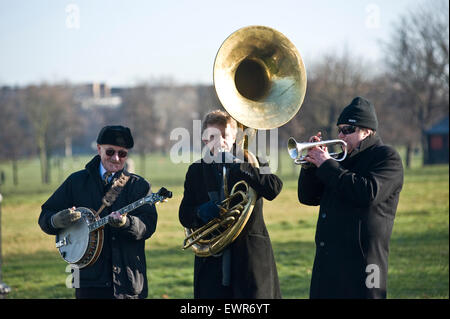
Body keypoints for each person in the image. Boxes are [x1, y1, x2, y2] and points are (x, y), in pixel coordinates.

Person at [297, 97, 404, 299]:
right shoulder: (340, 160)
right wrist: (311, 166)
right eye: (340, 130)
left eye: (348, 130)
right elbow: (308, 197)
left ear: (367, 131)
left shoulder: (387, 157)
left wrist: (327, 165)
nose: (341, 135)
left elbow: (368, 193)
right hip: (328, 263)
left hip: (364, 264)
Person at [38, 125, 158, 299]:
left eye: (122, 153)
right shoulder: (76, 182)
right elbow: (45, 216)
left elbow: (148, 226)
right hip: (89, 283)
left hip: (128, 284)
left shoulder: (139, 186)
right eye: (110, 152)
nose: (116, 158)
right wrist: (56, 220)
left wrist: (127, 223)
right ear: (99, 149)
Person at [179, 110, 283, 298]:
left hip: (250, 259)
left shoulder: (253, 161)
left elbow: (274, 188)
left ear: (235, 136)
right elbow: (184, 215)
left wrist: (239, 165)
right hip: (212, 263)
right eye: (212, 136)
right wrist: (202, 212)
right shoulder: (195, 171)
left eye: (225, 136)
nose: (220, 142)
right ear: (204, 140)